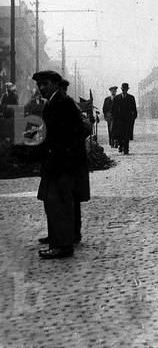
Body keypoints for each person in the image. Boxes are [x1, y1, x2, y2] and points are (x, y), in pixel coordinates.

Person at [30, 70, 89, 259]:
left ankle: (62, 245)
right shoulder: (55, 102)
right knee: (54, 202)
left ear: (55, 84)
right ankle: (60, 240)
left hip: (62, 163)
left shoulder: (62, 103)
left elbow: (77, 131)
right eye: (39, 85)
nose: (41, 88)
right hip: (57, 161)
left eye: (45, 84)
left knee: (58, 203)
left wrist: (63, 152)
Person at [110, 82, 138, 154]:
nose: (124, 90)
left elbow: (134, 108)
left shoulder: (131, 98)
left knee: (126, 134)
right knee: (120, 134)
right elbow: (113, 109)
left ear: (127, 90)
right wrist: (114, 117)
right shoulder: (117, 98)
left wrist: (133, 117)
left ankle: (126, 149)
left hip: (128, 119)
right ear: (121, 89)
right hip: (119, 119)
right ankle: (121, 146)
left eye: (126, 89)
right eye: (123, 89)